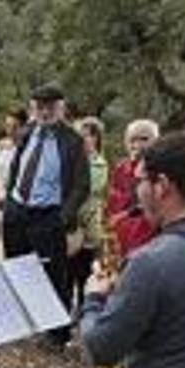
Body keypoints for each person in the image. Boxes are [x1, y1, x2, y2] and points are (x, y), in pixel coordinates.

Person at [81, 133, 185, 368]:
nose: (136, 192)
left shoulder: (152, 261)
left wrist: (94, 298)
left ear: (162, 186)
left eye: (139, 182)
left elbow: (101, 349)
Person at [3, 84, 90, 347]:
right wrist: (9, 200)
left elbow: (81, 185)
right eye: (39, 106)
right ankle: (18, 324)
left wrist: (62, 218)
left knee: (54, 276)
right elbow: (17, 168)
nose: (44, 112)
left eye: (50, 106)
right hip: (18, 211)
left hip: (48, 217)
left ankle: (58, 335)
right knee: (16, 268)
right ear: (33, 109)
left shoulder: (73, 141)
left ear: (61, 108)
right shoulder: (28, 132)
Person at [67, 116, 108, 312]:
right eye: (80, 136)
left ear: (96, 139)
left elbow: (87, 191)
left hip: (87, 228)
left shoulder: (99, 165)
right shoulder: (70, 161)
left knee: (83, 273)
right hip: (69, 226)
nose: (84, 139)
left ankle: (84, 312)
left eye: (88, 136)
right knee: (66, 273)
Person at [105, 119, 160, 258]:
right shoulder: (120, 168)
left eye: (144, 139)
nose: (138, 144)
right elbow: (112, 203)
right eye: (132, 139)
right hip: (121, 237)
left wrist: (128, 213)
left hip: (150, 239)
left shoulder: (162, 169)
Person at [0, 107, 28, 230]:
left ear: (23, 128)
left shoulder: (27, 150)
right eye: (7, 126)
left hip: (16, 206)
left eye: (14, 127)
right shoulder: (0, 146)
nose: (10, 130)